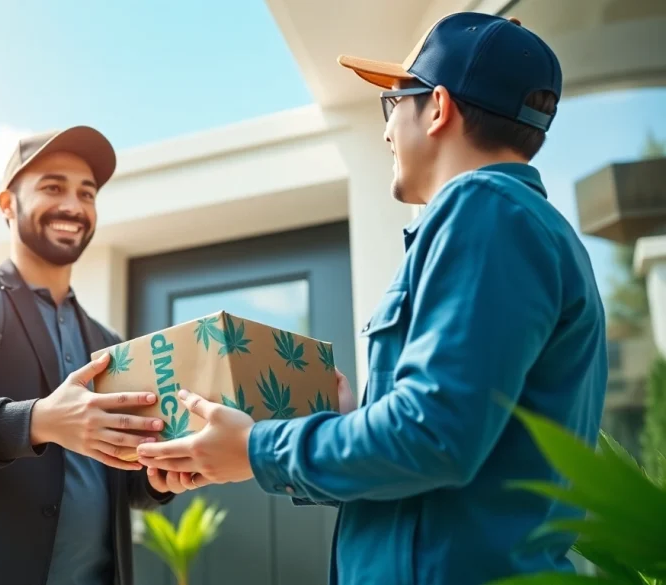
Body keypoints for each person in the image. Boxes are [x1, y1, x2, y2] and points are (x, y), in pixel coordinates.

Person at [136, 12, 608, 585]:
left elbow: (433, 437)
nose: (385, 131)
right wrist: (346, 427)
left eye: (392, 104)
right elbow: (441, 460)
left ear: (437, 108)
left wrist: (258, 448)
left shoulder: (485, 209)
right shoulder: (518, 224)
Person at [0, 126, 184, 585]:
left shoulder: (106, 340)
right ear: (8, 204)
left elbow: (124, 481)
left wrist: (157, 476)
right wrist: (39, 420)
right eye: (53, 187)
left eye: (86, 194)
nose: (73, 205)